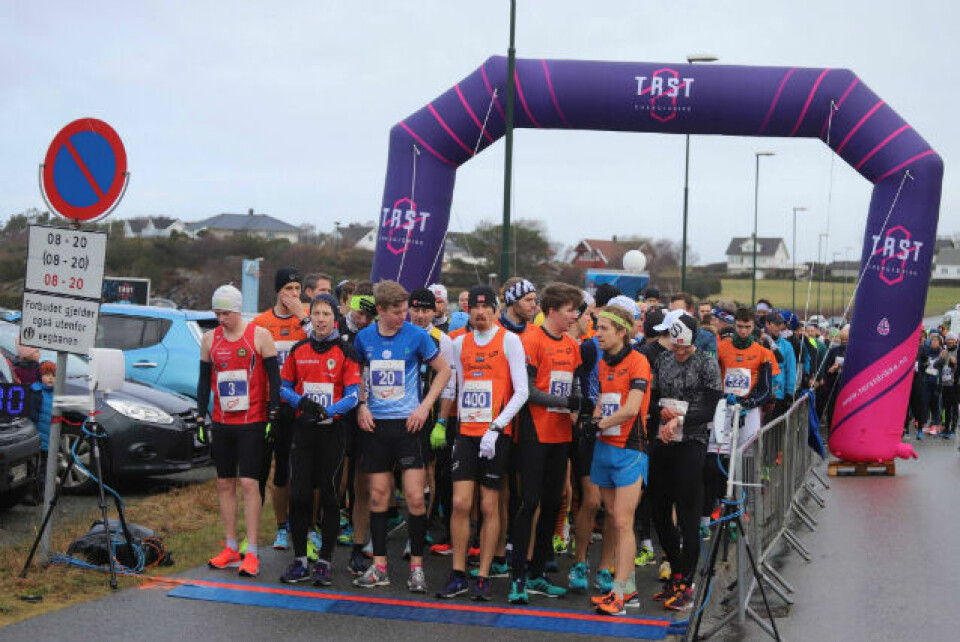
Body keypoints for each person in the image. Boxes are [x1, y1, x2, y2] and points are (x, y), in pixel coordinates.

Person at [353, 280, 451, 593]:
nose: (403, 316)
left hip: (410, 427)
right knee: (380, 496)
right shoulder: (364, 338)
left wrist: (424, 407)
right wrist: (362, 405)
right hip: (377, 428)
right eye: (396, 312)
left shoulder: (417, 336)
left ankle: (417, 569)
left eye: (404, 310)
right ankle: (379, 566)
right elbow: (356, 374)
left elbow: (445, 371)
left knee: (414, 498)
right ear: (380, 310)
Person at [437, 285, 528, 601]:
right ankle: (458, 572)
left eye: (485, 308)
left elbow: (522, 391)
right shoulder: (458, 342)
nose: (479, 313)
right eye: (474, 308)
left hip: (495, 435)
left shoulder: (510, 341)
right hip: (465, 433)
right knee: (461, 503)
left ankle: (485, 575)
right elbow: (452, 386)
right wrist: (441, 422)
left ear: (495, 310)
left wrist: (497, 426)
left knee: (490, 505)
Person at [508, 283, 584, 604]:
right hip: (533, 432)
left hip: (561, 434)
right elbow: (525, 391)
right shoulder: (531, 339)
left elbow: (576, 386)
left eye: (576, 310)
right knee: (529, 503)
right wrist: (565, 400)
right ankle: (517, 577)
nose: (574, 316)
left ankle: (538, 573)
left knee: (554, 503)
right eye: (569, 310)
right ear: (551, 310)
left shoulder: (572, 344)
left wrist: (578, 406)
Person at [278, 293, 360, 585]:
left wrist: (328, 411)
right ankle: (300, 560)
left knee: (328, 496)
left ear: (335, 317)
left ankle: (324, 561)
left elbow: (353, 395)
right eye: (317, 314)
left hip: (332, 432)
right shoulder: (299, 349)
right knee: (299, 495)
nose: (321, 319)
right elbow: (283, 388)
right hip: (304, 430)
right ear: (310, 316)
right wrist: (302, 403)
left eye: (326, 314)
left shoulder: (346, 351)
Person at [199, 284, 280, 578]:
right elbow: (202, 380)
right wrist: (200, 416)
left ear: (238, 310)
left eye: (226, 313)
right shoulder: (209, 339)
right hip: (222, 421)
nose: (221, 319)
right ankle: (231, 546)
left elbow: (275, 377)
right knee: (224, 484)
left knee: (249, 483)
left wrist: (273, 412)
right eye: (217, 314)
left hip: (252, 421)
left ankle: (253, 550)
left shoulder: (259, 335)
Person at [649, 312, 723, 612]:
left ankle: (687, 583)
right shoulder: (664, 360)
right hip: (665, 439)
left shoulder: (706, 361)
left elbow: (712, 405)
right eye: (674, 347)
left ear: (693, 342)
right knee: (659, 511)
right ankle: (677, 569)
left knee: (689, 513)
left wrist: (681, 418)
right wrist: (661, 413)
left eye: (683, 348)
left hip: (692, 441)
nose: (678, 353)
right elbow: (653, 397)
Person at [586, 304, 652, 616]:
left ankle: (618, 593)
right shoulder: (602, 363)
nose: (597, 334)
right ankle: (630, 589)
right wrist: (593, 419)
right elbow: (604, 400)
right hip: (605, 446)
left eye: (603, 329)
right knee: (613, 518)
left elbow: (631, 408)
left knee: (624, 521)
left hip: (630, 446)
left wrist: (597, 423)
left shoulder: (638, 361)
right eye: (596, 328)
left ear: (621, 332)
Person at [252, 267, 309, 551]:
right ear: (278, 291)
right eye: (289, 289)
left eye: (298, 289)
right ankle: (280, 527)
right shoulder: (262, 322)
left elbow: (323, 342)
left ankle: (308, 528)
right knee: (270, 471)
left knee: (299, 471)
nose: (294, 295)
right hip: (269, 405)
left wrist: (303, 315)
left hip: (298, 405)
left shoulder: (307, 318)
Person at [406, 289, 457, 560]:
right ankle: (410, 522)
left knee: (427, 469)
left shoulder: (442, 340)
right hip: (399, 412)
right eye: (416, 310)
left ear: (434, 312)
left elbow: (449, 385)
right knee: (402, 470)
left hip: (429, 414)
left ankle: (423, 525)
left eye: (426, 310)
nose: (421, 315)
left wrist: (440, 422)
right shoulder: (400, 332)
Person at [764, 313, 797, 417]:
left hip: (778, 394)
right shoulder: (759, 341)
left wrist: (789, 393)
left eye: (781, 324)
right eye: (776, 324)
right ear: (767, 324)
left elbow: (791, 370)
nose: (779, 327)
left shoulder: (787, 346)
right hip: (760, 393)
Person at [668, 293, 717, 359]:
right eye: (671, 312)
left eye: (678, 312)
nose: (673, 316)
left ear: (691, 311)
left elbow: (712, 363)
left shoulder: (707, 338)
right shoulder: (665, 335)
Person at [942, 333, 959, 438]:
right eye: (948, 340)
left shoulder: (958, 352)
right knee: (946, 407)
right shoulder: (944, 351)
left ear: (955, 341)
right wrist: (941, 358)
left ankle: (953, 429)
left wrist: (955, 363)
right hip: (945, 383)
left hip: (956, 383)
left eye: (952, 340)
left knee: (954, 406)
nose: (950, 341)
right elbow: (939, 366)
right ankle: (946, 428)